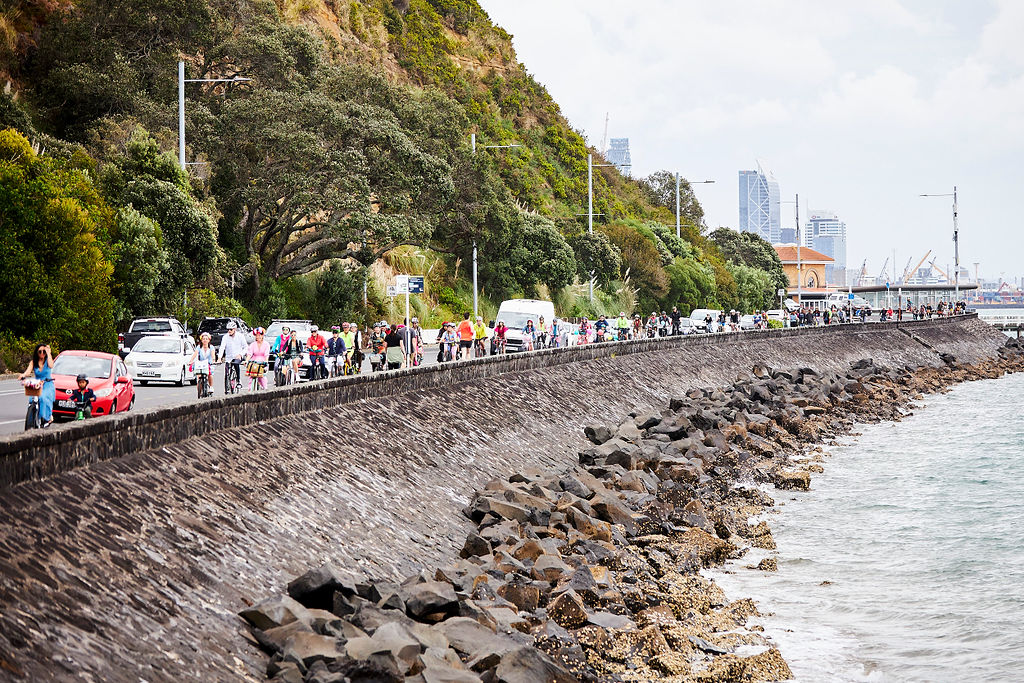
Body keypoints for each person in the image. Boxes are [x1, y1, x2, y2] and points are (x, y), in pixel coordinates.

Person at [20, 343, 54, 427]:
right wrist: (23, 375)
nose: (42, 353)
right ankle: (31, 420)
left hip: (47, 384)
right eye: (40, 351)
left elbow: (51, 365)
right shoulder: (33, 362)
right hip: (38, 384)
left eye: (44, 352)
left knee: (43, 398)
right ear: (37, 352)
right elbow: (28, 372)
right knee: (32, 400)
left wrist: (49, 352)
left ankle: (47, 418)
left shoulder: (48, 360)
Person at [218, 321, 248, 391]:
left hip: (237, 356)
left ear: (235, 329)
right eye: (228, 329)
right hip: (229, 357)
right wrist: (219, 357)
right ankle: (227, 386)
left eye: (231, 329)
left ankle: (238, 380)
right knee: (227, 371)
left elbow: (246, 347)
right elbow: (222, 347)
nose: (229, 331)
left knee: (236, 364)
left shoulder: (240, 336)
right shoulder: (225, 337)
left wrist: (241, 354)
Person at [189, 331, 217, 397]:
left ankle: (211, 386)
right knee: (199, 376)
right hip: (201, 364)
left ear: (209, 340)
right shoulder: (199, 347)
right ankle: (200, 390)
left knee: (210, 374)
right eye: (203, 339)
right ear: (201, 340)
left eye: (206, 339)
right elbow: (195, 354)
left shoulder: (211, 347)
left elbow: (213, 355)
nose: (205, 340)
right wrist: (190, 361)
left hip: (209, 363)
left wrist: (213, 360)